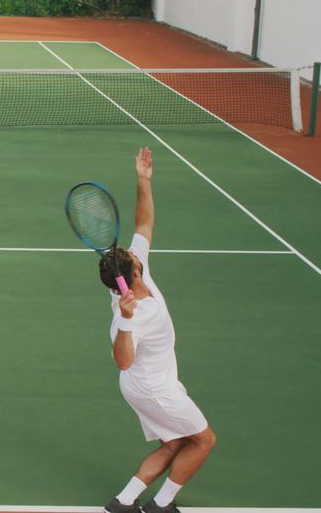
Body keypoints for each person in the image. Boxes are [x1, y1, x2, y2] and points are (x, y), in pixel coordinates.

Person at [103, 147, 217, 513]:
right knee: (202, 440)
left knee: (172, 443)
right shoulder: (137, 312)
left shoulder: (130, 277)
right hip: (153, 388)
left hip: (150, 383)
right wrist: (124, 321)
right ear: (132, 273)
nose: (137, 252)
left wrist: (143, 180)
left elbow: (144, 224)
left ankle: (123, 502)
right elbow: (122, 360)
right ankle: (163, 505)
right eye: (134, 256)